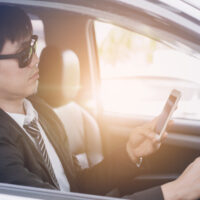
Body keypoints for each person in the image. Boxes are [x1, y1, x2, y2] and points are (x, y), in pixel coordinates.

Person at [0, 4, 200, 200]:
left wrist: (130, 152)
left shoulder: (43, 113)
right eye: (24, 53)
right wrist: (175, 192)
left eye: (33, 46)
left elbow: (75, 186)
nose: (36, 60)